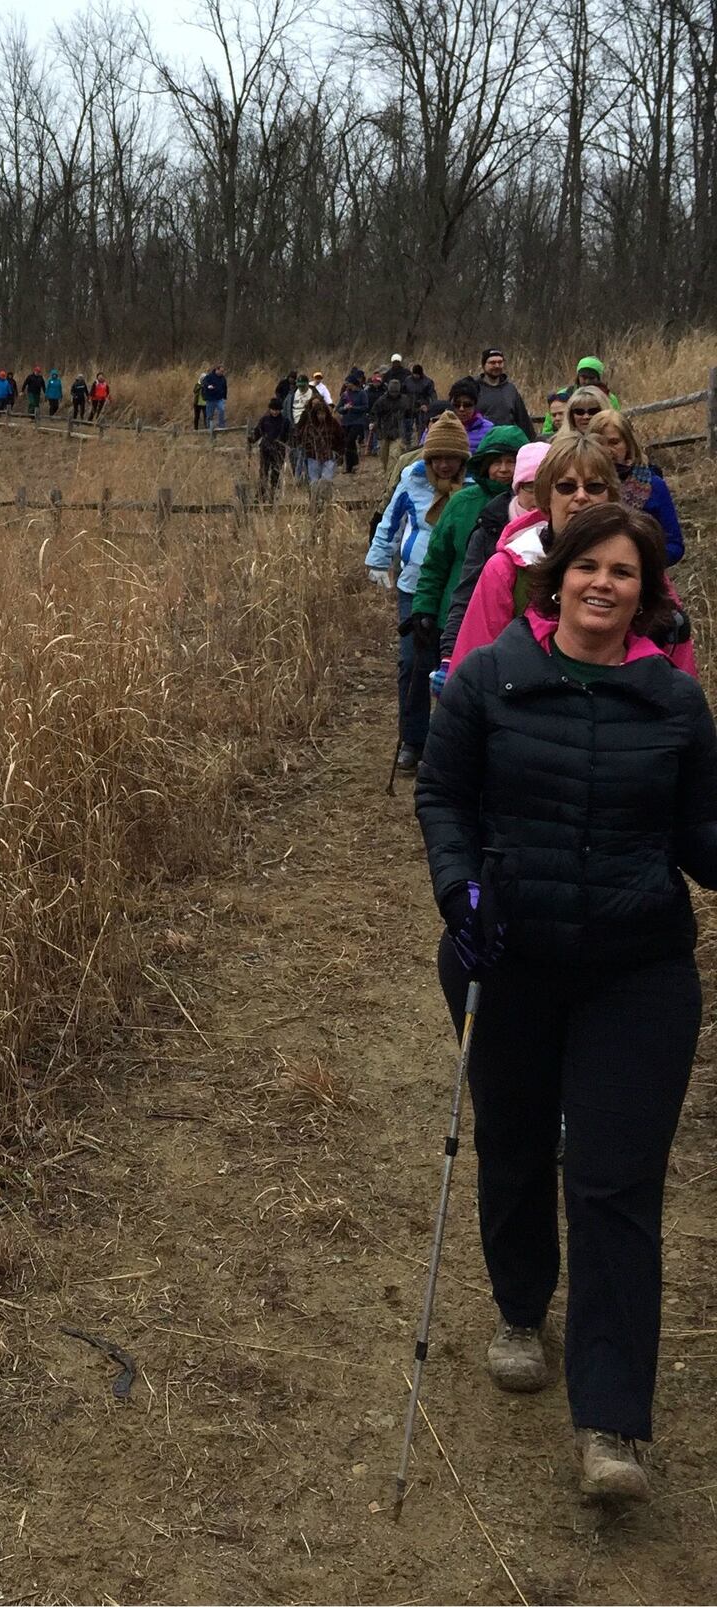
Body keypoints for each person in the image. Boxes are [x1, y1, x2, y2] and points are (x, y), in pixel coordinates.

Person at [415, 501, 717, 1504]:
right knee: (509, 1137)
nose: (602, 586)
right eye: (588, 567)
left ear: (645, 592)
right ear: (556, 577)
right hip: (506, 957)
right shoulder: (490, 679)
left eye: (624, 574)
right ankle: (517, 1306)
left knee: (613, 1183)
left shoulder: (673, 704)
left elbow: (701, 839)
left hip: (637, 971)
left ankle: (611, 1426)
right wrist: (458, 889)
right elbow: (445, 797)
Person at [445, 434, 699, 677]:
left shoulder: (639, 566)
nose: (580, 496)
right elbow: (472, 673)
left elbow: (676, 668)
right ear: (546, 498)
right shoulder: (507, 570)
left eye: (594, 486)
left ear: (611, 496)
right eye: (566, 487)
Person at [364, 411, 473, 769]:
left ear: (462, 459)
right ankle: (413, 739)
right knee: (413, 662)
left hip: (457, 592)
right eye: (437, 457)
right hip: (414, 587)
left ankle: (450, 741)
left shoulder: (473, 489)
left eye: (451, 458)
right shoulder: (411, 480)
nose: (444, 465)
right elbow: (390, 523)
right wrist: (379, 559)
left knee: (456, 666)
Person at [406, 426, 527, 663]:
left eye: (511, 461)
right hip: (457, 616)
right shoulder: (462, 503)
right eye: (496, 462)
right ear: (484, 465)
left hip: (514, 621)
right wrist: (424, 608)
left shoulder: (536, 508)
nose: (503, 470)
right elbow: (436, 563)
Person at [439, 439, 549, 667]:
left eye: (547, 488)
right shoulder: (489, 529)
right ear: (517, 488)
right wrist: (449, 653)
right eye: (530, 487)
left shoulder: (567, 535)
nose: (539, 497)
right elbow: (465, 595)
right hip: (498, 653)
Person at [586, 409, 684, 562]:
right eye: (600, 443)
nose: (607, 450)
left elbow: (675, 544)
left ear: (628, 443)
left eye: (614, 442)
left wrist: (643, 562)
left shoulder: (653, 485)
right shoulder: (582, 488)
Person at [474, 348, 536, 439]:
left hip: (507, 442)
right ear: (483, 365)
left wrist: (531, 442)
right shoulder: (474, 388)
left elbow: (523, 420)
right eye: (492, 363)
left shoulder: (510, 389)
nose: (497, 366)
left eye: (500, 362)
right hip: (481, 442)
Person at [294, 393, 345, 483]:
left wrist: (339, 453)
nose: (321, 416)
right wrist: (307, 451)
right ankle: (313, 496)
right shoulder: (309, 424)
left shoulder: (332, 423)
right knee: (314, 482)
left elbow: (341, 438)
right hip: (313, 456)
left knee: (326, 481)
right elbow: (302, 438)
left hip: (329, 456)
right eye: (319, 414)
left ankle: (325, 496)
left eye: (323, 414)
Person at [371, 373, 413, 476]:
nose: (394, 394)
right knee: (384, 458)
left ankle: (391, 477)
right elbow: (374, 414)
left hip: (398, 433)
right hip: (384, 433)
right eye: (392, 391)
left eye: (396, 391)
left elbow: (409, 416)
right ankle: (387, 473)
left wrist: (408, 434)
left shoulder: (405, 400)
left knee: (394, 456)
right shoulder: (382, 401)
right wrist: (375, 426)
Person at [249, 397, 290, 499]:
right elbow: (258, 432)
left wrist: (287, 443)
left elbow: (288, 436)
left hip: (279, 450)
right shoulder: (264, 420)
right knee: (263, 472)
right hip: (265, 449)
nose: (275, 412)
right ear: (270, 409)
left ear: (280, 410)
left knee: (276, 473)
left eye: (277, 410)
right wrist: (252, 439)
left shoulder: (285, 421)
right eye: (273, 409)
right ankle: (261, 493)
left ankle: (273, 493)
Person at [338, 368, 372, 473]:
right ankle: (350, 466)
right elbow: (339, 408)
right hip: (346, 422)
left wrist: (353, 408)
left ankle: (354, 463)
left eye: (348, 383)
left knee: (350, 441)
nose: (346, 385)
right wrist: (344, 408)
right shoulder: (345, 395)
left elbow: (365, 407)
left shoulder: (362, 393)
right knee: (348, 444)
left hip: (358, 421)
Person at [448, 379, 494, 452]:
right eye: (457, 405)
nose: (461, 409)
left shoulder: (489, 430)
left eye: (467, 405)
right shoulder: (439, 426)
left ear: (475, 405)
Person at [405, 364, 437, 434]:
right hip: (409, 408)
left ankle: (420, 442)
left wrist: (429, 407)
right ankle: (407, 443)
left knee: (421, 428)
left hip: (422, 408)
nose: (416, 376)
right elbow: (403, 392)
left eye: (417, 374)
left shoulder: (428, 382)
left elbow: (433, 395)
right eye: (414, 374)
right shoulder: (408, 380)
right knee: (407, 428)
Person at [201, 364, 228, 429]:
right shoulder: (210, 376)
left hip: (219, 399)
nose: (222, 373)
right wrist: (208, 386)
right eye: (221, 371)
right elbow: (204, 382)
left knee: (222, 410)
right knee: (210, 415)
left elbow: (225, 387)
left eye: (223, 371)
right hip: (211, 399)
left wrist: (224, 397)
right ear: (217, 370)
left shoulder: (223, 378)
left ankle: (221, 426)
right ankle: (209, 428)